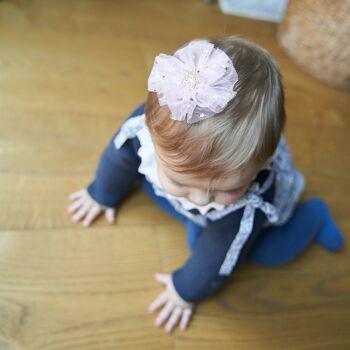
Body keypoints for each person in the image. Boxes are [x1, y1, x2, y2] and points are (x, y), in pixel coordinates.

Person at [67, 37, 345, 334]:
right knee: (144, 182)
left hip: (240, 221)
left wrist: (186, 290)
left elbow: (220, 256)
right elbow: (118, 157)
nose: (201, 199)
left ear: (261, 164)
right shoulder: (146, 129)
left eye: (224, 188)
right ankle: (188, 200)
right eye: (181, 180)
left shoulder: (248, 200)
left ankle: (314, 216)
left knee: (265, 253)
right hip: (209, 204)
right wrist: (102, 193)